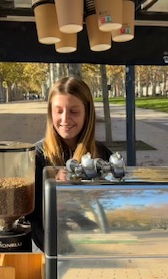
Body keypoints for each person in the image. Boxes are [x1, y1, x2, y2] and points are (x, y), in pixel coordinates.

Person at [29, 76, 112, 250]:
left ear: (87, 113)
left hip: (93, 247)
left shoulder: (103, 155)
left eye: (74, 111)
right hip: (49, 251)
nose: (65, 119)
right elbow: (29, 215)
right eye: (58, 111)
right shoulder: (36, 156)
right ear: (50, 113)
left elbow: (112, 205)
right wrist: (54, 194)